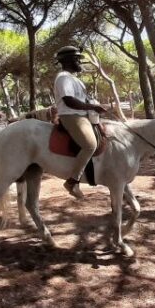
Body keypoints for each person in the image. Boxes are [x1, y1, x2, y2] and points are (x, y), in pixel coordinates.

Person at [53, 46, 108, 199]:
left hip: (83, 115)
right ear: (69, 60)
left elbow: (82, 100)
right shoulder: (63, 77)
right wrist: (92, 106)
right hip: (71, 116)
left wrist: (94, 106)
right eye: (77, 59)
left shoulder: (74, 79)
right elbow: (69, 100)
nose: (79, 62)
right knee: (90, 145)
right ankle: (73, 181)